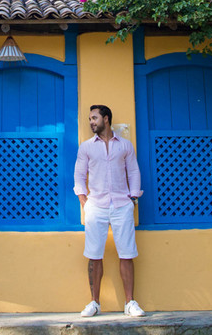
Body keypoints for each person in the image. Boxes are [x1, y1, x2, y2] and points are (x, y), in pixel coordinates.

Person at [73, 104, 145, 317]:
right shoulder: (86, 147)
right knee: (94, 254)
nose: (91, 122)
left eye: (94, 118)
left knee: (127, 253)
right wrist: (83, 199)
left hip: (122, 205)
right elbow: (79, 174)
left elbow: (133, 171)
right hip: (96, 205)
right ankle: (94, 303)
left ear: (106, 119)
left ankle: (130, 303)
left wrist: (132, 197)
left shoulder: (125, 145)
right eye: (89, 119)